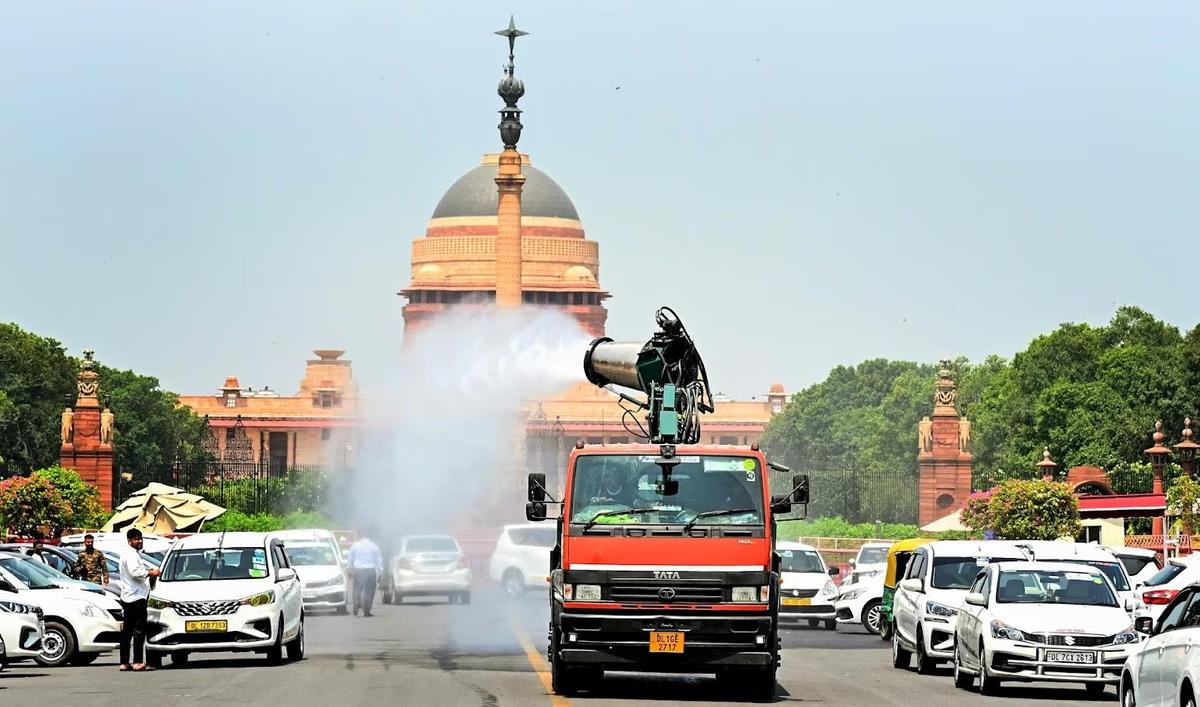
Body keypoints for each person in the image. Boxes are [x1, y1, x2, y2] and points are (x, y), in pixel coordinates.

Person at [118, 528, 160, 671]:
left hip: (129, 596)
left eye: (140, 538)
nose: (139, 541)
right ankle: (137, 662)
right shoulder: (130, 555)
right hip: (136, 597)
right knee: (138, 630)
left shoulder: (129, 554)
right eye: (136, 539)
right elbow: (135, 572)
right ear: (129, 541)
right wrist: (151, 572)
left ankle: (124, 662)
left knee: (128, 630)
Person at [347, 532, 383, 617]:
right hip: (370, 571)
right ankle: (366, 610)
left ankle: (356, 604)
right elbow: (379, 560)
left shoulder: (355, 545)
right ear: (370, 537)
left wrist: (349, 569)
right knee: (369, 591)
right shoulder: (374, 546)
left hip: (358, 570)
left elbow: (350, 558)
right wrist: (380, 572)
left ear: (361, 537)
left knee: (357, 589)